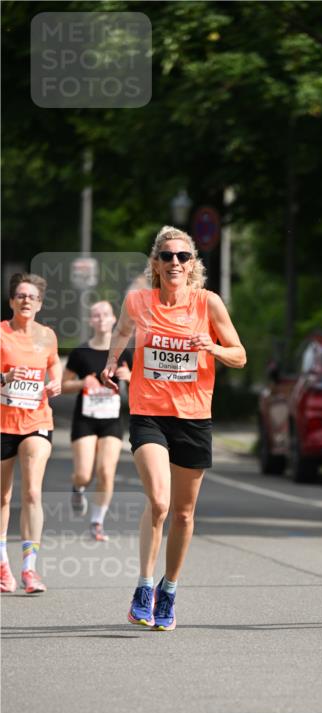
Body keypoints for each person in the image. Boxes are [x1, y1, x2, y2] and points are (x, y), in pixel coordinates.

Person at [100, 226, 246, 630]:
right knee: (160, 502)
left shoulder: (208, 303)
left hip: (194, 417)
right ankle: (144, 588)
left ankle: (169, 589)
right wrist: (112, 363)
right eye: (167, 257)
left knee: (182, 514)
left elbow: (240, 355)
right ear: (156, 264)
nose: (175, 263)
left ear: (193, 263)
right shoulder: (138, 302)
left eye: (183, 257)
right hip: (149, 413)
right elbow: (122, 332)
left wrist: (212, 347)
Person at [0, 273, 62, 594]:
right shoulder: (0, 334)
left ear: (39, 304)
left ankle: (29, 569)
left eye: (32, 297)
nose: (26, 300)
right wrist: (5, 377)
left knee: (33, 493)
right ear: (12, 301)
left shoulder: (47, 336)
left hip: (37, 421)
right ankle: (2, 564)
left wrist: (56, 381)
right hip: (2, 423)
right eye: (20, 296)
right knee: (3, 496)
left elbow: (54, 365)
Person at [62, 300, 132, 541]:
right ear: (90, 321)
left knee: (106, 472)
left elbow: (144, 384)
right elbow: (62, 385)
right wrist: (83, 383)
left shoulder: (124, 352)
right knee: (84, 474)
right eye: (96, 315)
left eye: (105, 314)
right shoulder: (81, 353)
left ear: (114, 319)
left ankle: (97, 522)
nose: (101, 319)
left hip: (111, 421)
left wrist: (130, 376)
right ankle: (77, 487)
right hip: (85, 419)